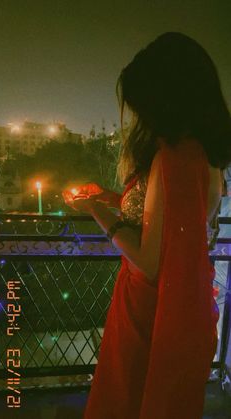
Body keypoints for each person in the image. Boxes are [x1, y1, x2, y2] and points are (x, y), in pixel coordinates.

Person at [63, 32, 231, 419]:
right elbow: (170, 220)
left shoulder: (174, 159)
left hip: (147, 314)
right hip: (171, 307)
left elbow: (150, 261)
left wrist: (95, 211)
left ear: (167, 101)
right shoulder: (202, 155)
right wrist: (112, 197)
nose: (143, 118)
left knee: (125, 401)